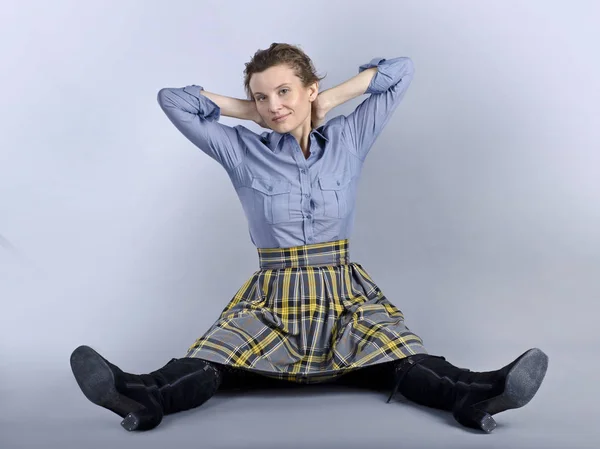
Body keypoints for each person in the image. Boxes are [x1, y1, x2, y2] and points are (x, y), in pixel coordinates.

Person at [70, 43, 548, 434]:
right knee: (214, 362)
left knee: (401, 356)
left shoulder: (349, 138)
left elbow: (402, 70)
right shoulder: (240, 149)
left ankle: (478, 392)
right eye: (262, 96)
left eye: (284, 91)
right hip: (274, 298)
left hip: (344, 296)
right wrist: (246, 112)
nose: (274, 105)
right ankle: (139, 395)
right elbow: (171, 99)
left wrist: (333, 98)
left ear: (309, 88)